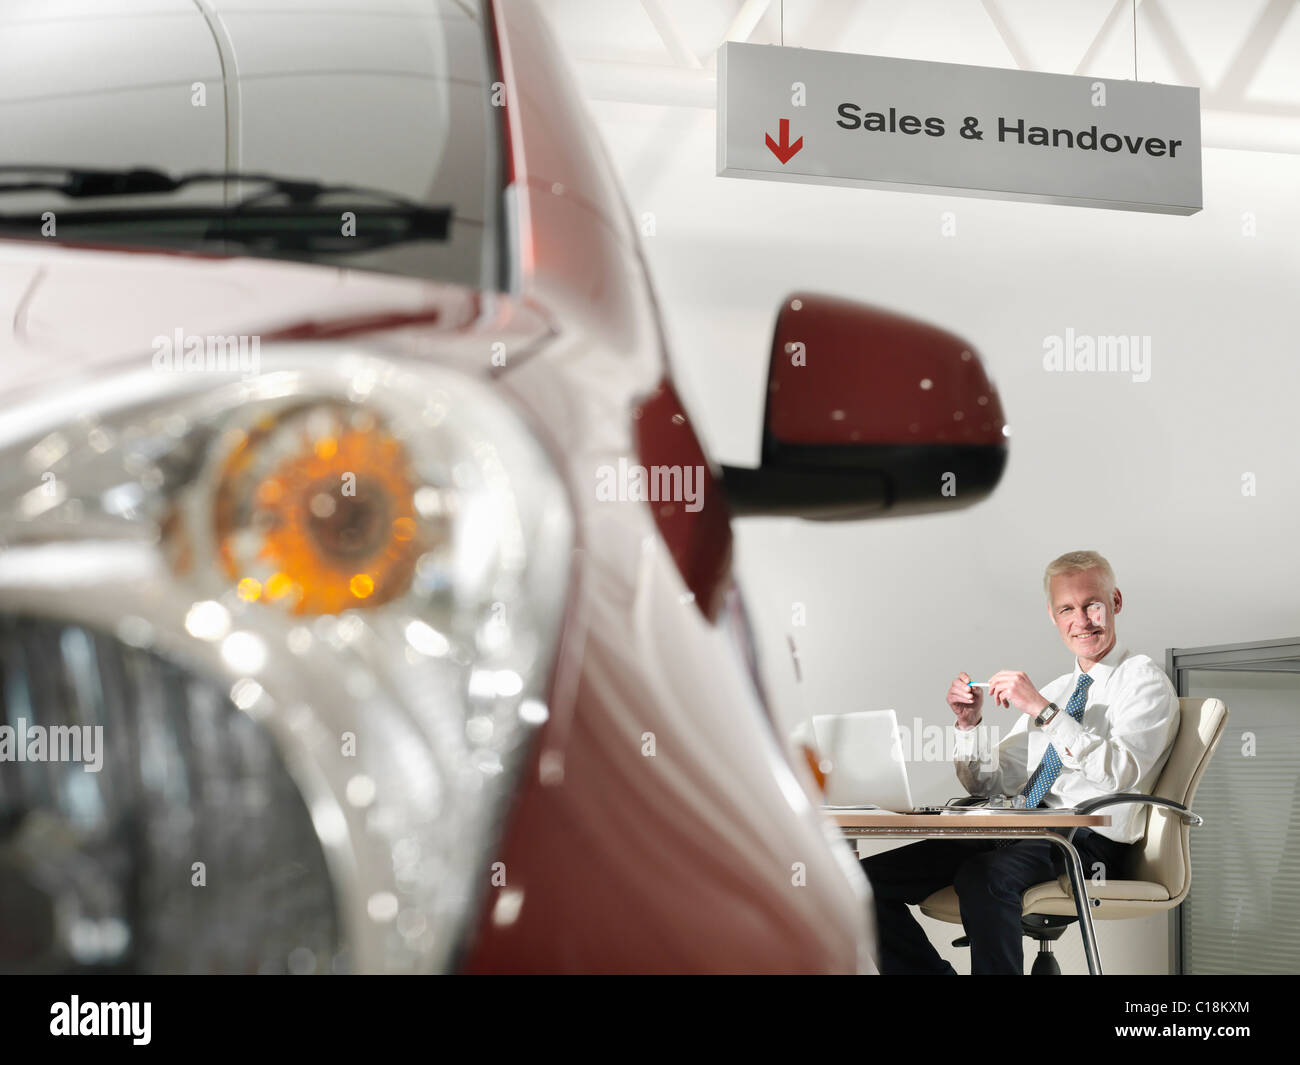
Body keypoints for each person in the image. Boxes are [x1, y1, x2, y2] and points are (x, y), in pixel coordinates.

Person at [859, 550, 1179, 975]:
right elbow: (987, 785)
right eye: (1068, 608)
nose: (1081, 620)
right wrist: (967, 725)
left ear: (1115, 602)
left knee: (983, 876)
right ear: (1053, 615)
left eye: (1092, 605)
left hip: (1086, 843)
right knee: (858, 884)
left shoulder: (1143, 680)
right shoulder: (1061, 689)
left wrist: (1044, 711)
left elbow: (1121, 773)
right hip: (1021, 830)